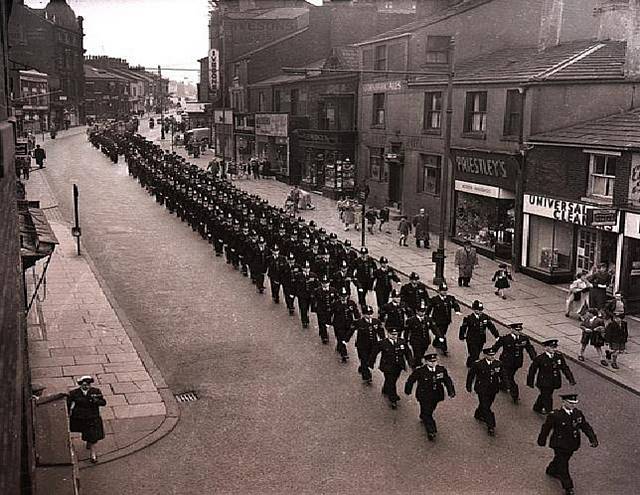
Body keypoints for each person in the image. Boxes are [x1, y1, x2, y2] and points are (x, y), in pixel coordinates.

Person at [537, 394, 598, 495]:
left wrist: (592, 438)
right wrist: (542, 440)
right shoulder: (555, 415)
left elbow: (585, 426)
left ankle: (551, 469)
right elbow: (546, 428)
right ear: (564, 402)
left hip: (572, 444)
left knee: (561, 460)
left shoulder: (577, 414)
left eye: (574, 403)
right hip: (560, 444)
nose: (573, 405)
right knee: (563, 464)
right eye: (570, 403)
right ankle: (568, 487)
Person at [404, 353, 456, 441]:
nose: (433, 363)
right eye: (430, 362)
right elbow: (411, 380)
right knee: (428, 413)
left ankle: (423, 415)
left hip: (436, 395)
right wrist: (408, 390)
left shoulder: (441, 370)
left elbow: (447, 380)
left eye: (434, 361)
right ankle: (431, 430)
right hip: (424, 395)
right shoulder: (420, 371)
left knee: (430, 409)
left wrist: (451, 391)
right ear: (426, 362)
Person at [527, 339, 576, 415]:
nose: (554, 349)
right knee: (547, 397)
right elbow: (532, 370)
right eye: (552, 347)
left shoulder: (558, 356)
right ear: (546, 348)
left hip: (554, 381)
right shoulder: (540, 358)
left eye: (555, 347)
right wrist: (530, 382)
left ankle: (537, 407)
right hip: (543, 382)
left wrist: (571, 379)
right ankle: (550, 413)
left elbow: (565, 368)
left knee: (546, 394)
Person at [369, 327, 413, 409]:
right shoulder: (382, 343)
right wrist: (371, 363)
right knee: (391, 381)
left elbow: (408, 353)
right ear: (388, 334)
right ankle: (393, 399)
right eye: (392, 334)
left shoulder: (402, 342)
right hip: (387, 366)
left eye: (396, 334)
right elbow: (374, 353)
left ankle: (385, 388)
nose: (394, 336)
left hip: (398, 366)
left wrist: (410, 363)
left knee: (393, 379)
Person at [492, 322, 536, 404]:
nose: (518, 331)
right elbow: (495, 348)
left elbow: (530, 349)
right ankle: (515, 394)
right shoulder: (505, 338)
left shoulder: (524, 339)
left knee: (508, 376)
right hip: (506, 362)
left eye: (520, 330)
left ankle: (503, 385)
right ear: (511, 329)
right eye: (516, 330)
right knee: (509, 377)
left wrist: (534, 358)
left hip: (517, 363)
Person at [67, 375, 107, 463]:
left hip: (92, 417)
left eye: (88, 385)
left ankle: (93, 454)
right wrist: (69, 413)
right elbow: (68, 404)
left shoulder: (95, 391)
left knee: (93, 436)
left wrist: (96, 401)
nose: (86, 387)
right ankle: (88, 442)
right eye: (84, 385)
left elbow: (103, 402)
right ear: (80, 385)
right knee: (85, 433)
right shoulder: (74, 393)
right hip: (80, 418)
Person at [466, 347, 503, 436]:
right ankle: (491, 426)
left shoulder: (498, 364)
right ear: (485, 355)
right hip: (481, 388)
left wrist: (507, 385)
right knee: (486, 407)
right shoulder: (478, 364)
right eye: (490, 355)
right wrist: (468, 386)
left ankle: (478, 414)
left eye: (493, 355)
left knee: (487, 404)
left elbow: (503, 375)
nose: (492, 357)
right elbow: (471, 375)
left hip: (493, 388)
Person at [348, 305, 385, 384]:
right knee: (364, 359)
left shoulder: (376, 322)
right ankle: (367, 376)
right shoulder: (358, 322)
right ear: (363, 314)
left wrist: (383, 339)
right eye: (367, 314)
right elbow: (351, 331)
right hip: (362, 345)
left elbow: (381, 331)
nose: (369, 316)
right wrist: (346, 340)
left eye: (370, 313)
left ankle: (363, 367)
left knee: (370, 359)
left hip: (373, 345)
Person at [459, 300, 499, 368]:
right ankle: (473, 367)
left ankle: (469, 361)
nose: (480, 311)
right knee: (475, 355)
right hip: (472, 340)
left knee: (476, 353)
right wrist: (461, 336)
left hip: (481, 340)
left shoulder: (485, 317)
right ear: (474, 309)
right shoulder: (469, 318)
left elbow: (491, 326)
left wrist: (496, 335)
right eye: (478, 310)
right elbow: (463, 327)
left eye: (481, 310)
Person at [429, 283, 461, 357]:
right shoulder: (435, 299)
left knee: (442, 333)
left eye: (445, 290)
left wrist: (457, 310)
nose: (444, 292)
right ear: (439, 291)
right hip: (437, 320)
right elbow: (429, 309)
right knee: (442, 334)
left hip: (446, 321)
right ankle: (444, 348)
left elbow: (455, 304)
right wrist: (427, 318)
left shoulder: (450, 298)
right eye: (442, 290)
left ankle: (436, 342)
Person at [404, 300, 438, 367]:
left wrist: (439, 336)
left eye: (423, 311)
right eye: (420, 311)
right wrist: (405, 340)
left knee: (422, 353)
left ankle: (417, 361)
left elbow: (434, 328)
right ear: (417, 311)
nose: (422, 313)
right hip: (415, 340)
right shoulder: (411, 320)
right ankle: (416, 365)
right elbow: (407, 331)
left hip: (425, 340)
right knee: (417, 354)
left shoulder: (428, 319)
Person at [332, 287, 361, 362]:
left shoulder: (351, 303)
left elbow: (356, 312)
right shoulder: (335, 304)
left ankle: (340, 346)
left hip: (349, 324)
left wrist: (358, 320)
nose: (343, 298)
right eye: (342, 296)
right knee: (341, 338)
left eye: (345, 296)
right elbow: (330, 313)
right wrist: (328, 322)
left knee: (345, 337)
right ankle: (344, 354)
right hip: (338, 324)